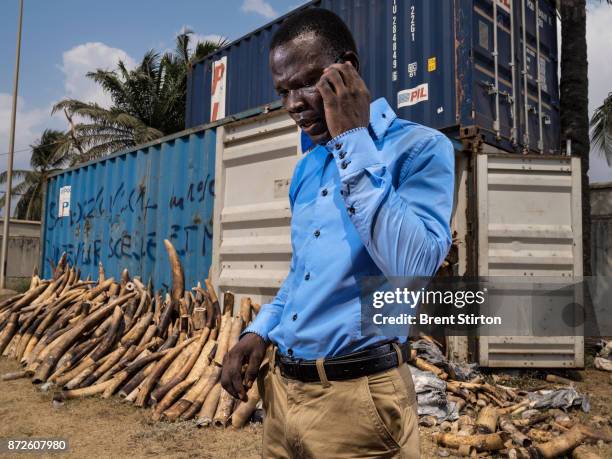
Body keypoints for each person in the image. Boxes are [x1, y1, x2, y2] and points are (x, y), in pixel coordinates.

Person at [221, 8, 454, 458]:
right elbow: (304, 276)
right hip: (283, 398)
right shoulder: (307, 170)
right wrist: (261, 330)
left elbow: (414, 267)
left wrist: (352, 138)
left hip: (358, 404)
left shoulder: (420, 149)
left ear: (346, 68)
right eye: (283, 91)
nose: (292, 105)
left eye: (306, 83)